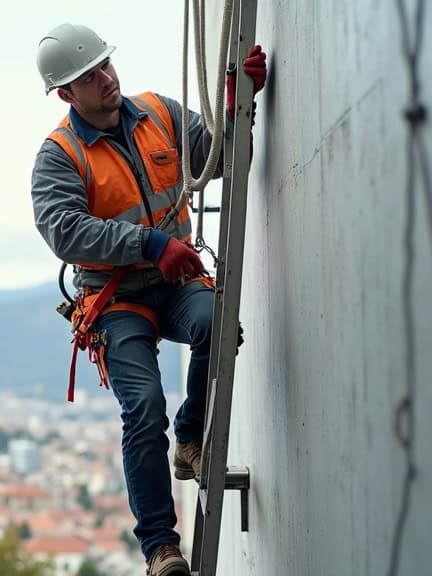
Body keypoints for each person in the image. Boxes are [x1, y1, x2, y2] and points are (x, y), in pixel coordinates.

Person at [30, 23, 266, 576]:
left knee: (217, 326)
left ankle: (190, 439)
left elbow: (219, 159)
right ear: (66, 95)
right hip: (115, 300)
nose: (106, 80)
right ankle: (160, 547)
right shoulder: (60, 157)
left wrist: (239, 107)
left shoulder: (160, 114)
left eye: (106, 66)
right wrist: (148, 242)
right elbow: (65, 230)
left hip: (175, 282)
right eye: (89, 78)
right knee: (142, 408)